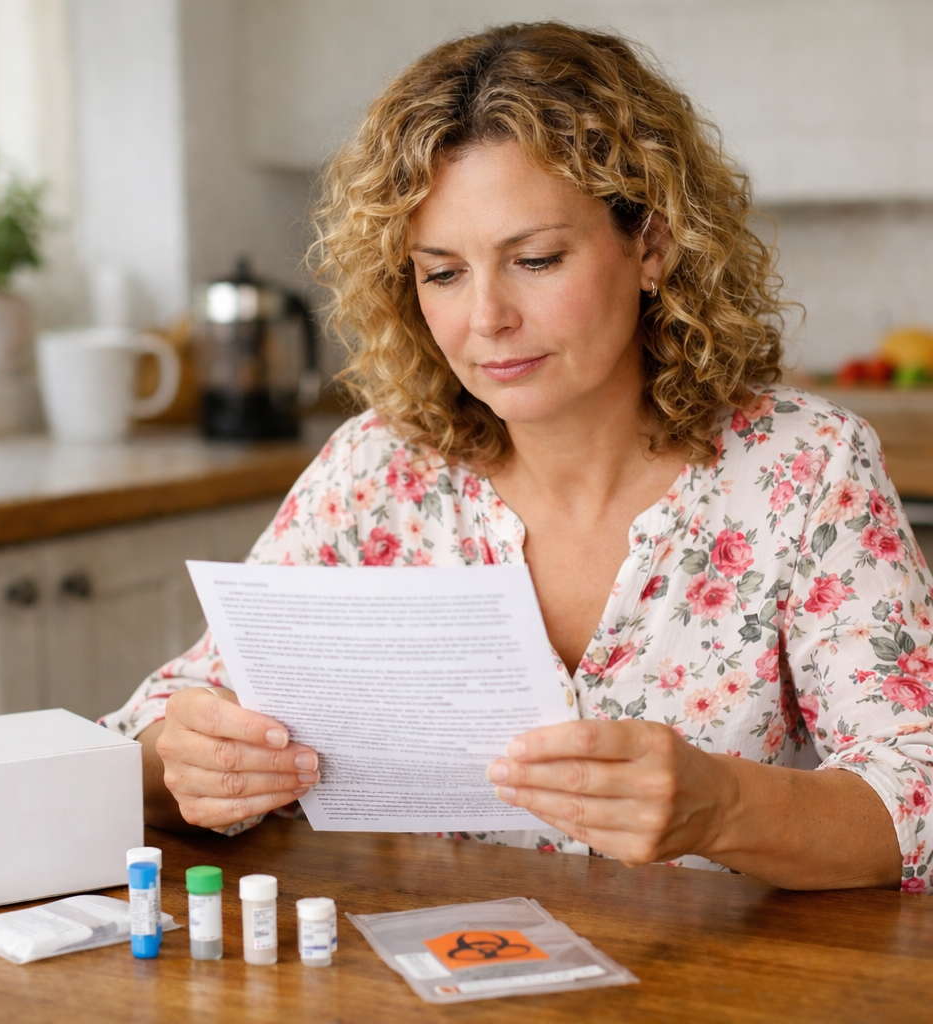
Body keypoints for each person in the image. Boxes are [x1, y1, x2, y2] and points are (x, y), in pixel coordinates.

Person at [102, 22, 933, 892]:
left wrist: (723, 807)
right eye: (443, 274)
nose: (487, 319)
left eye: (535, 259)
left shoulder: (806, 469)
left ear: (650, 246)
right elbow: (146, 736)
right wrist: (185, 763)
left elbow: (915, 789)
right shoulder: (378, 473)